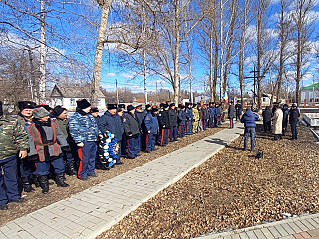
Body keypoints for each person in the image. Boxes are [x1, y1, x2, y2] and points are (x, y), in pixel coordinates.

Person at [27, 107, 70, 193]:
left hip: (54, 147)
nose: (48, 117)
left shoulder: (53, 123)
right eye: (45, 116)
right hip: (41, 149)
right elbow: (30, 140)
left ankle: (60, 181)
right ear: (39, 117)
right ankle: (44, 185)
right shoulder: (31, 126)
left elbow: (59, 134)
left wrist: (64, 144)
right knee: (42, 168)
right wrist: (32, 153)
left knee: (59, 166)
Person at [0, 101, 28, 210]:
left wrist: (23, 148)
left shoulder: (11, 121)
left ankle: (14, 196)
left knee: (11, 177)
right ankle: (2, 200)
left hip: (9, 155)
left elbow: (21, 135)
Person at [69, 99, 101, 181]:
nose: (89, 109)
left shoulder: (90, 116)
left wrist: (99, 134)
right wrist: (78, 141)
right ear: (82, 108)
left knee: (92, 157)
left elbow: (95, 126)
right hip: (84, 141)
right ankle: (82, 174)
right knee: (84, 158)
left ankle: (91, 171)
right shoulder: (75, 117)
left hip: (93, 139)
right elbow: (73, 130)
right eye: (87, 107)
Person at [16, 101, 38, 192]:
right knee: (24, 166)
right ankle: (26, 183)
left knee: (34, 164)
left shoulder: (35, 119)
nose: (29, 112)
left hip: (36, 146)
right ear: (21, 111)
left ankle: (35, 179)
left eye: (30, 110)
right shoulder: (17, 121)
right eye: (26, 110)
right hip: (23, 147)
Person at [53, 106, 77, 176]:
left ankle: (71, 169)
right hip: (60, 142)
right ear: (59, 114)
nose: (66, 115)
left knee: (70, 156)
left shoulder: (69, 121)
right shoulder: (55, 122)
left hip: (69, 141)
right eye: (64, 113)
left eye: (66, 113)